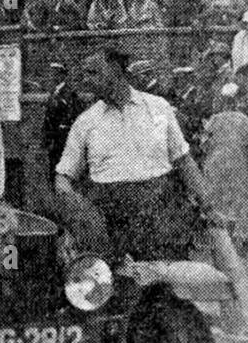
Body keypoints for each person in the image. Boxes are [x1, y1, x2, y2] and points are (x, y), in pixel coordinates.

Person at [54, 47, 220, 261]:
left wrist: (209, 207)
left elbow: (185, 162)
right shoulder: (85, 122)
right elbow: (63, 177)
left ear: (115, 70)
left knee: (167, 287)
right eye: (85, 73)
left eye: (93, 72)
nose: (86, 80)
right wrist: (77, 211)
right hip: (110, 223)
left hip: (161, 216)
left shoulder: (159, 108)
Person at [201, 83, 248, 240]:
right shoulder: (245, 121)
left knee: (218, 201)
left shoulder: (214, 120)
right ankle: (228, 237)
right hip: (236, 164)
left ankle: (221, 239)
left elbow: (204, 144)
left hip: (215, 164)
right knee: (232, 202)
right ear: (237, 100)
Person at [42, 62, 82, 174]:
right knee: (53, 169)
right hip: (53, 139)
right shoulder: (54, 92)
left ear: (62, 76)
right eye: (51, 74)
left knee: (61, 170)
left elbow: (74, 113)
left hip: (62, 139)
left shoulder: (69, 93)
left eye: (55, 74)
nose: (52, 77)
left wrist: (63, 128)